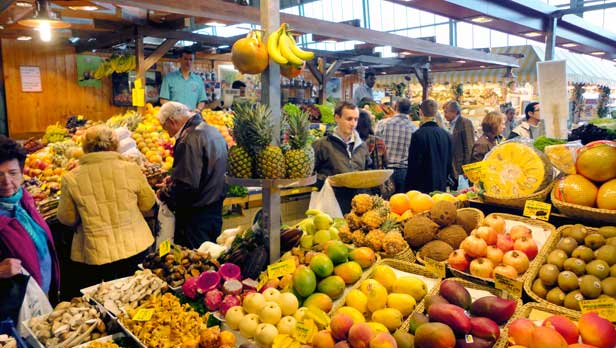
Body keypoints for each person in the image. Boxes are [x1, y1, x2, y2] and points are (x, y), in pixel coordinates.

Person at [57, 126, 155, 290]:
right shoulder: (131, 169)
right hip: (135, 244)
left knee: (105, 300)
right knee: (138, 294)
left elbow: (67, 218)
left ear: (85, 147)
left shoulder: (71, 178)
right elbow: (147, 203)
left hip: (96, 252)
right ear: (115, 145)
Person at [156, 102, 228, 248]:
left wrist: (163, 193)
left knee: (194, 262)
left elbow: (186, 185)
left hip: (195, 217)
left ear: (172, 121)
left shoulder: (187, 139)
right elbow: (206, 170)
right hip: (214, 210)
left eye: (165, 128)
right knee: (210, 257)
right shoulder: (213, 131)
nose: (167, 133)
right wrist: (176, 177)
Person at [0, 136, 60, 297]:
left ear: (21, 173)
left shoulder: (24, 201)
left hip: (41, 296)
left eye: (12, 173)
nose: (6, 181)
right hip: (14, 310)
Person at [313, 101, 370, 214]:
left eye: (356, 119)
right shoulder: (322, 145)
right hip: (331, 205)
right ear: (337, 118)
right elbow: (309, 174)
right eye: (349, 119)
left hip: (358, 207)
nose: (353, 124)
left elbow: (369, 168)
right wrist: (326, 180)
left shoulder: (362, 146)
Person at [404, 99, 453, 193]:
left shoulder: (418, 135)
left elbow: (413, 165)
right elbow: (449, 163)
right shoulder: (447, 135)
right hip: (441, 185)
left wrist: (408, 189)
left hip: (422, 189)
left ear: (420, 112)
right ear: (436, 112)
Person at [376, 98, 417, 193]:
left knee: (383, 203)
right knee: (401, 203)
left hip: (385, 170)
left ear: (395, 107)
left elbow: (375, 144)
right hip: (404, 171)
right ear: (409, 110)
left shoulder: (382, 124)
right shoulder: (414, 128)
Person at [443, 101, 475, 186]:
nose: (444, 114)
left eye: (446, 112)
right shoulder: (450, 123)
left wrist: (467, 168)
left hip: (460, 167)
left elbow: (469, 146)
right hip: (452, 167)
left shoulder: (465, 123)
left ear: (454, 112)